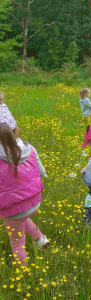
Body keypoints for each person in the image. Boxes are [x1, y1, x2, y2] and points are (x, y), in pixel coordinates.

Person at [0, 112, 49, 266]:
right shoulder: (29, 148)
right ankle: (40, 239)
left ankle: (24, 274)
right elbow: (42, 172)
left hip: (13, 209)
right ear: (15, 130)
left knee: (17, 243)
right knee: (21, 215)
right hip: (34, 202)